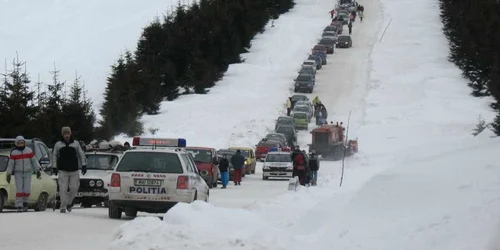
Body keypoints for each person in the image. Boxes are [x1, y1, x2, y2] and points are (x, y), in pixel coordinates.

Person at [53, 126, 87, 213]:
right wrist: (54, 167)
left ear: (70, 134)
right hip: (62, 170)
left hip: (74, 170)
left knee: (74, 188)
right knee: (63, 189)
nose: (66, 135)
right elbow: (54, 156)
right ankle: (63, 207)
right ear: (62, 135)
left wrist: (83, 165)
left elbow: (81, 154)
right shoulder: (58, 144)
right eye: (65, 134)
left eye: (68, 133)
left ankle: (69, 202)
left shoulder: (76, 144)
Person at [6, 136, 42, 212]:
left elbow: (34, 161)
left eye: (22, 143)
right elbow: (11, 164)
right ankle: (19, 205)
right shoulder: (14, 152)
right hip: (18, 173)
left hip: (28, 172)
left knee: (26, 189)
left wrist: (37, 170)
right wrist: (8, 173)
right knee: (19, 189)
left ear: (24, 143)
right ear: (16, 144)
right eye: (19, 143)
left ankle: (25, 203)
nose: (20, 144)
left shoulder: (29, 151)